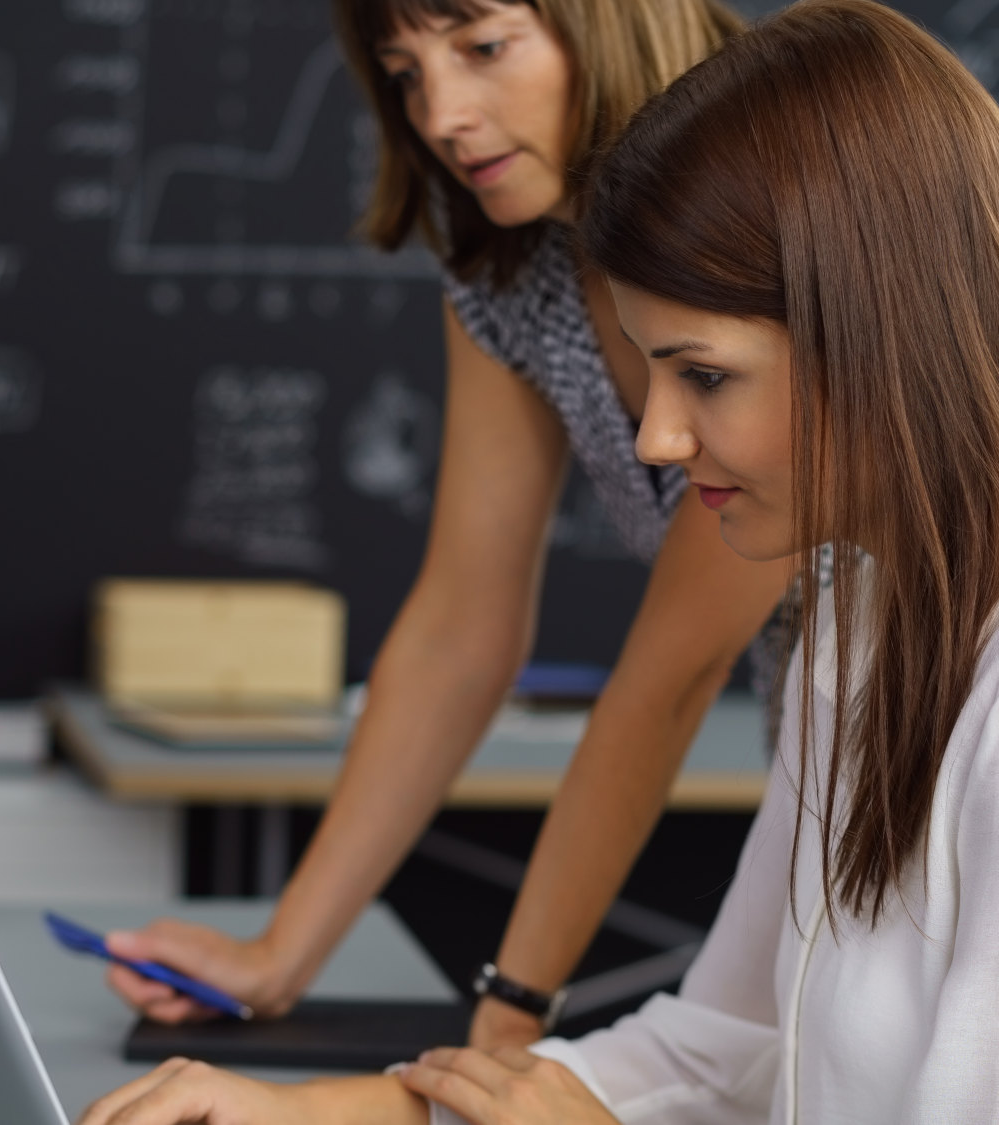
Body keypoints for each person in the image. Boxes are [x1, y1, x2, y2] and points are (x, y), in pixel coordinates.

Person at [78, 0, 999, 1121]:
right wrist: (346, 1114)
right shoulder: (861, 620)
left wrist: (518, 1030)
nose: (652, 437)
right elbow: (732, 1048)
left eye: (701, 376)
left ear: (877, 337)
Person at [104, 0, 795, 1053]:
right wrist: (278, 955)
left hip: (968, 742)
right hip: (829, 753)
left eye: (480, 47)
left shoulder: (772, 207)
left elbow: (667, 680)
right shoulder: (514, 267)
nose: (438, 113)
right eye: (404, 72)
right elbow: (458, 627)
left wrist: (508, 1014)